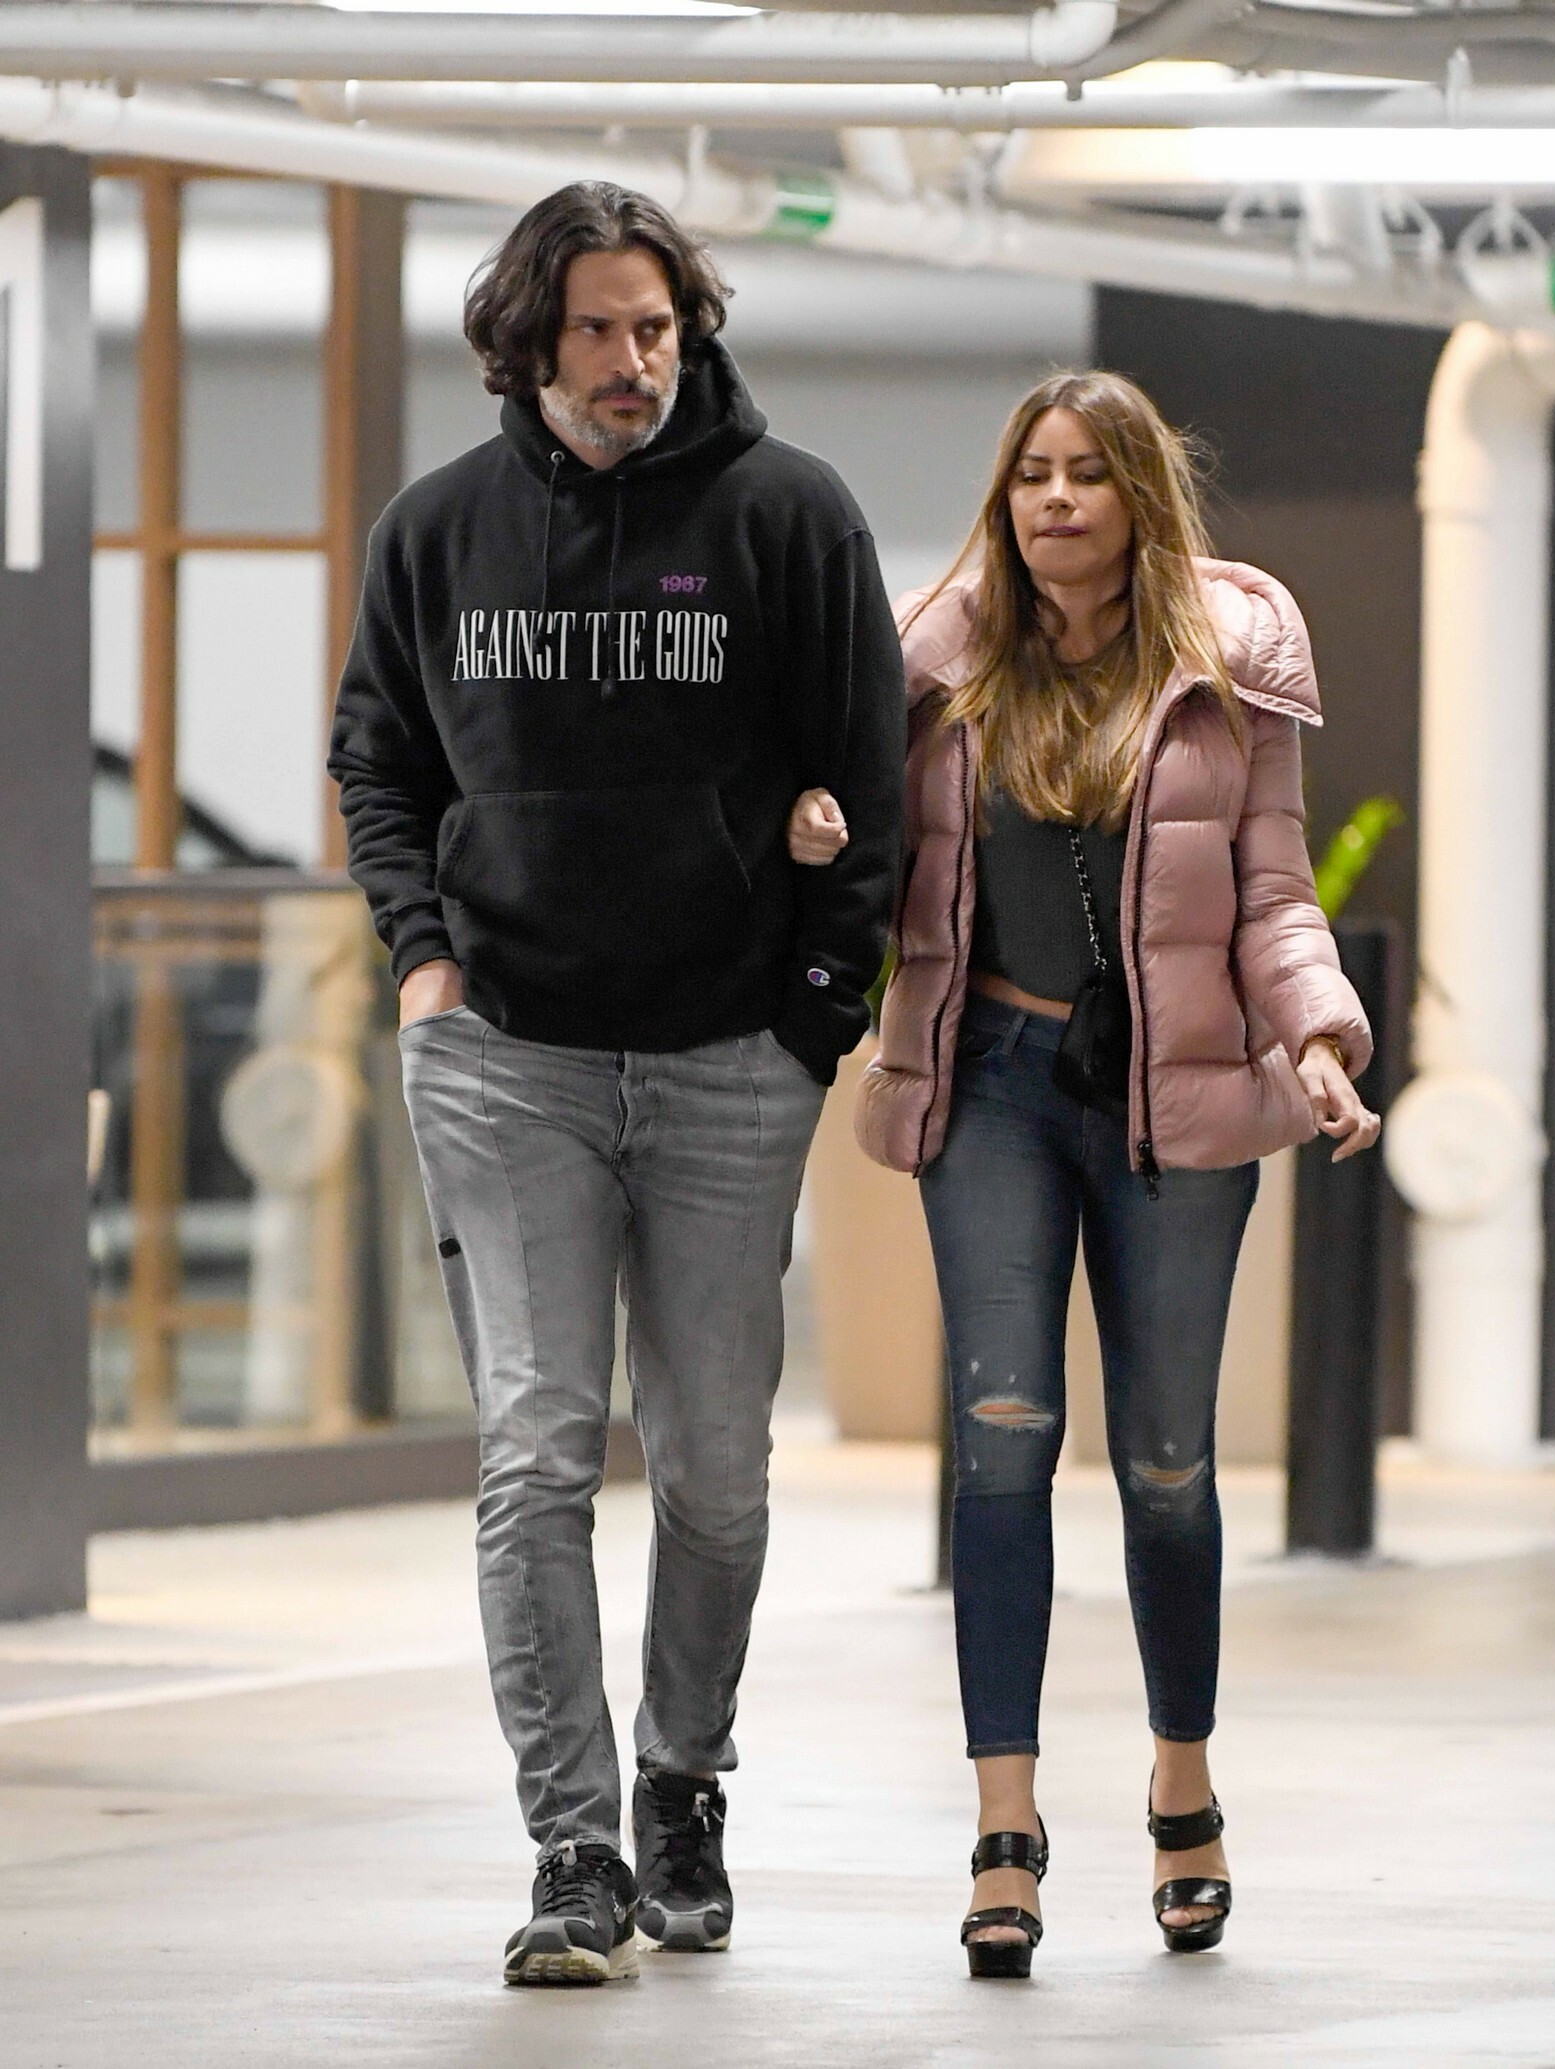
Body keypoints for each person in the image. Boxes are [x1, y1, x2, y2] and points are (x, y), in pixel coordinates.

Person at [330, 181, 904, 1986]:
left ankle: (681, 1776)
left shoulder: (790, 514)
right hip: (507, 1055)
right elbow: (378, 764)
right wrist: (424, 965)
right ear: (529, 340)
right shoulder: (437, 533)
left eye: (656, 327)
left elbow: (871, 773)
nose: (632, 360)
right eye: (597, 328)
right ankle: (573, 1845)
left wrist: (814, 1014)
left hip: (731, 1058)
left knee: (718, 1468)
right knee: (537, 1450)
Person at [788, 369, 1379, 1979]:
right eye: (1033, 473)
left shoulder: (1232, 658)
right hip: (992, 1082)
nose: (1055, 499)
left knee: (1169, 1460)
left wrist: (1320, 1035)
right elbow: (876, 857)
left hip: (1174, 1097)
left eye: (1088, 473)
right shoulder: (935, 660)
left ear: (1140, 495)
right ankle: (1005, 1824)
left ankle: (1183, 1779)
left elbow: (1274, 893)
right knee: (1003, 1436)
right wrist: (815, 832)